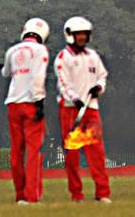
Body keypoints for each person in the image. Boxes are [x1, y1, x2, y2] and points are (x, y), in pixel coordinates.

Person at [55, 16, 111, 203]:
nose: (82, 38)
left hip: (91, 109)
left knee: (97, 153)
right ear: (70, 35)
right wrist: (76, 100)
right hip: (70, 111)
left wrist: (99, 88)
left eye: (85, 34)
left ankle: (102, 194)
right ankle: (76, 194)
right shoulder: (63, 58)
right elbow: (64, 84)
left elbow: (102, 76)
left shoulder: (92, 56)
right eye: (79, 34)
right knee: (72, 155)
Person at [2, 17, 51, 205]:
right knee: (33, 151)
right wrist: (39, 101)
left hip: (12, 103)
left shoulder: (12, 50)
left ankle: (20, 195)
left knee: (16, 151)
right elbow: (37, 77)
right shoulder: (40, 50)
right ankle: (32, 196)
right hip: (31, 103)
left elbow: (5, 72)